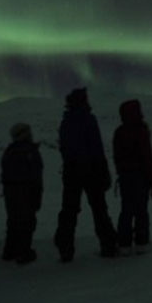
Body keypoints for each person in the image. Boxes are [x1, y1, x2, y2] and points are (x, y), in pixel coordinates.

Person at [53, 87, 118, 261]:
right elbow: (96, 148)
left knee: (70, 210)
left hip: (72, 170)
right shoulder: (89, 120)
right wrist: (103, 170)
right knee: (99, 208)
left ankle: (65, 247)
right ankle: (109, 244)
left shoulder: (65, 122)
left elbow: (64, 148)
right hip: (91, 170)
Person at [113, 99, 152, 255]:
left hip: (126, 178)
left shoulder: (119, 132)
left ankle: (124, 243)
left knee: (126, 209)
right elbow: (147, 158)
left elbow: (117, 158)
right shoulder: (141, 131)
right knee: (141, 210)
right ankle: (142, 242)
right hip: (140, 177)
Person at [1, 122, 44, 264]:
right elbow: (36, 173)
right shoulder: (30, 151)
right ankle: (24, 252)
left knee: (13, 221)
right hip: (27, 190)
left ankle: (10, 250)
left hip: (10, 192)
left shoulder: (9, 151)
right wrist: (37, 194)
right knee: (27, 222)